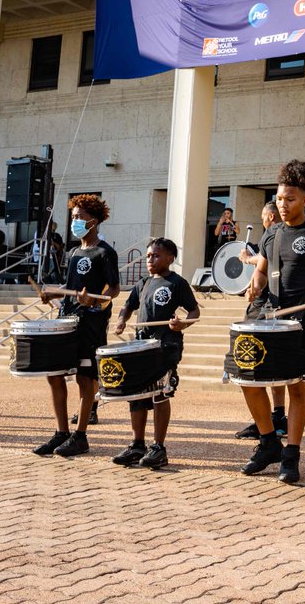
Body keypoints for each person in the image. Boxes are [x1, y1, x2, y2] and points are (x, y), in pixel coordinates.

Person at [237, 161, 305, 483]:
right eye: (280, 198)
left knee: (296, 386)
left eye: (290, 199)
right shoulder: (272, 233)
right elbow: (262, 271)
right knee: (246, 377)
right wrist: (254, 285)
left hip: (301, 317)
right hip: (267, 314)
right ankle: (268, 442)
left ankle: (291, 454)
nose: (283, 204)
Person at [33, 195, 120, 458]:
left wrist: (95, 299)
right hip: (66, 319)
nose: (75, 221)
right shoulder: (73, 252)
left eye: (79, 217)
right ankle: (61, 433)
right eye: (73, 217)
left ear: (93, 220)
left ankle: (80, 436)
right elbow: (71, 288)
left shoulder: (105, 252)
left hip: (90, 323)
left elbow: (114, 289)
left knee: (85, 379)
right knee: (54, 373)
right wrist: (53, 293)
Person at [111, 238, 200, 469]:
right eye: (149, 255)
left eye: (156, 255)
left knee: (161, 393)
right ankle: (137, 444)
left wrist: (182, 324)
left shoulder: (177, 283)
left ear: (170, 258)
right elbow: (128, 306)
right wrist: (121, 320)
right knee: (137, 395)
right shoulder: (143, 283)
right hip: (141, 346)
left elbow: (194, 310)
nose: (151, 259)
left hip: (165, 346)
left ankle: (158, 447)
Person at [236, 201, 288, 440]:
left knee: (256, 359)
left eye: (263, 217)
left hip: (265, 305)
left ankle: (266, 420)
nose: (263, 221)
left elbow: (263, 263)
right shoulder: (284, 233)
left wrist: (248, 258)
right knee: (275, 362)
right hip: (277, 302)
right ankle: (277, 415)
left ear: (270, 216)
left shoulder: (273, 231)